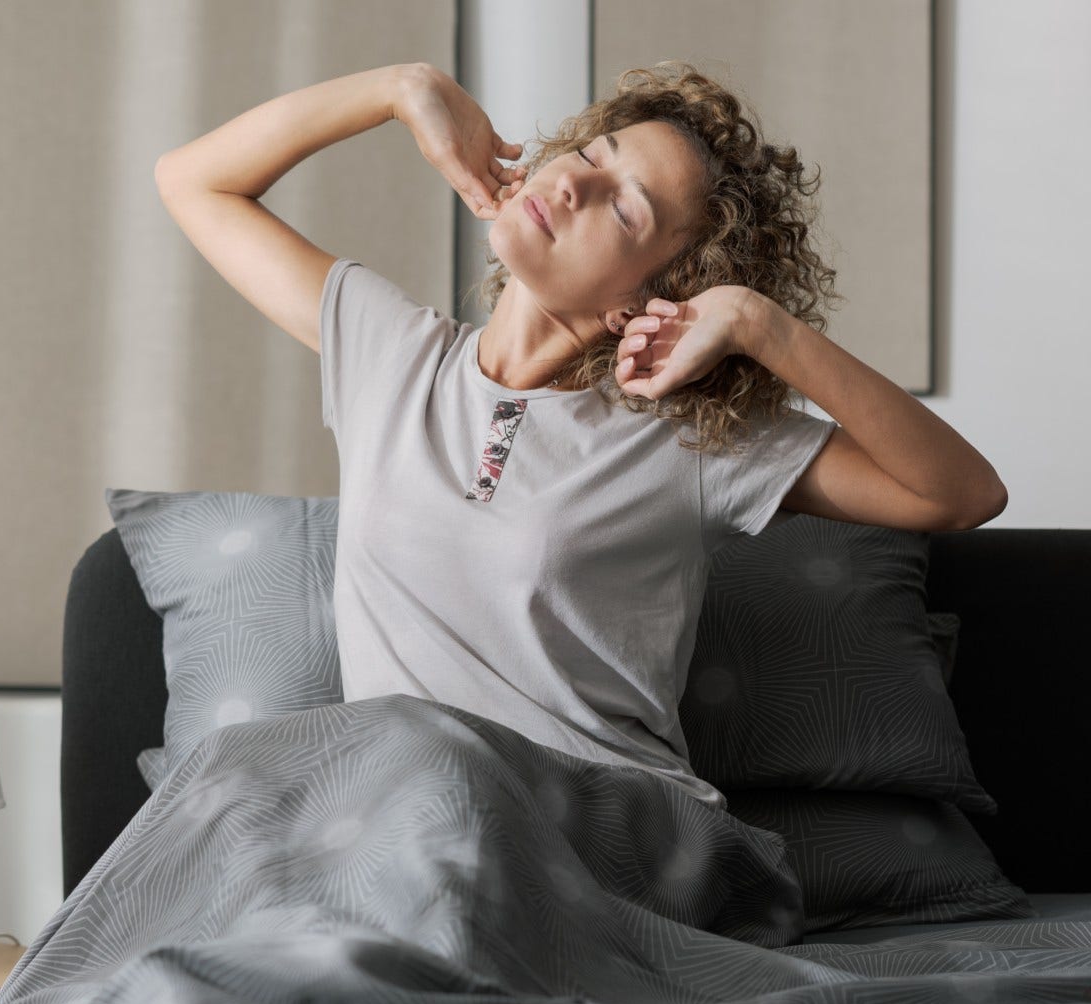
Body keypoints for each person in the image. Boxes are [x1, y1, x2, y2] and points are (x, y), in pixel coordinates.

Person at [154, 61, 1007, 808]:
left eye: (624, 210)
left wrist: (759, 325)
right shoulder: (388, 353)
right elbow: (193, 181)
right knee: (243, 800)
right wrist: (398, 89)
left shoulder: (692, 443)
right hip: (401, 821)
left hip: (605, 830)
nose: (573, 184)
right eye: (593, 156)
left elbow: (962, 494)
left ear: (642, 299)